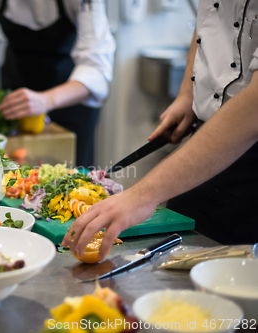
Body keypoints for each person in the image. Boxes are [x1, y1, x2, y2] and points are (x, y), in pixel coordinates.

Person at [63, 0, 258, 258]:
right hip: (204, 146)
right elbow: (208, 19)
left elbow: (253, 109)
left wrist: (143, 196)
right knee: (175, 260)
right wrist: (189, 92)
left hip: (251, 174)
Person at [0, 0, 115, 167]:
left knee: (69, 188)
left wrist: (46, 100)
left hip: (70, 101)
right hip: (13, 100)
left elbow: (96, 69)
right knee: (12, 179)